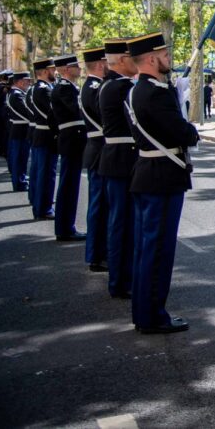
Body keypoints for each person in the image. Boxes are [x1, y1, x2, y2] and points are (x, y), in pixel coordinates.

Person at [121, 33, 200, 333]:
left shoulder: (138, 90)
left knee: (146, 249)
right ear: (152, 59)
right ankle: (153, 316)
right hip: (163, 176)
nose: (169, 57)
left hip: (147, 171)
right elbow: (182, 132)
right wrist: (188, 123)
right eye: (165, 54)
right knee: (158, 252)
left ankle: (144, 312)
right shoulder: (155, 93)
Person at [98, 38, 139, 300]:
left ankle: (120, 277)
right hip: (123, 158)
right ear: (122, 60)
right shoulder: (122, 88)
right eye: (132, 56)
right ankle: (121, 279)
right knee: (123, 224)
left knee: (119, 222)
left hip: (116, 157)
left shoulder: (109, 85)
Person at [50, 54, 88, 242]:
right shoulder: (65, 89)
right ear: (65, 69)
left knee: (70, 185)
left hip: (72, 139)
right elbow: (77, 110)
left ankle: (66, 226)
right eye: (75, 66)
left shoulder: (68, 88)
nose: (79, 69)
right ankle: (65, 228)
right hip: (72, 139)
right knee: (68, 186)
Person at [79, 47, 110, 272]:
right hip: (100, 150)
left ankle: (97, 253)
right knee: (100, 206)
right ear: (100, 64)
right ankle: (97, 255)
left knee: (100, 205)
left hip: (97, 148)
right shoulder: (95, 88)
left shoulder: (91, 86)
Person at [27, 58, 59, 221]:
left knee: (39, 172)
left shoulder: (34, 88)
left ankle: (38, 203)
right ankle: (43, 208)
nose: (55, 72)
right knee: (46, 174)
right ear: (45, 71)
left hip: (39, 133)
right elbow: (52, 113)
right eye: (53, 70)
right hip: (46, 134)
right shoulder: (44, 89)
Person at [5, 72, 33, 193]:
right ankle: (19, 183)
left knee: (21, 158)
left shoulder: (16, 93)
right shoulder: (17, 95)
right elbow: (25, 112)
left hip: (18, 129)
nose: (28, 83)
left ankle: (20, 181)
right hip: (20, 130)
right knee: (19, 159)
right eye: (27, 81)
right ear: (21, 81)